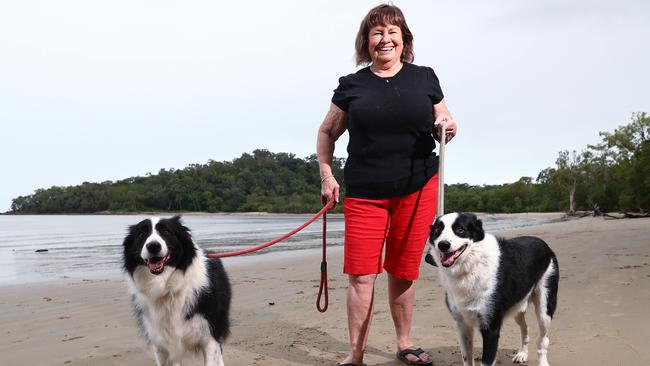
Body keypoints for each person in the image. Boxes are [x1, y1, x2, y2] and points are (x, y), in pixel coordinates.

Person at [316, 4, 457, 366]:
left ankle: (405, 341)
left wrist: (448, 124)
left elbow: (446, 122)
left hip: (418, 187)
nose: (385, 38)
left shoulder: (425, 78)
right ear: (366, 41)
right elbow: (327, 131)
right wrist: (327, 174)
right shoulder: (352, 86)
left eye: (392, 31)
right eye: (377, 32)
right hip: (365, 193)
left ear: (404, 39)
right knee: (362, 276)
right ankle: (356, 354)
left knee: (403, 271)